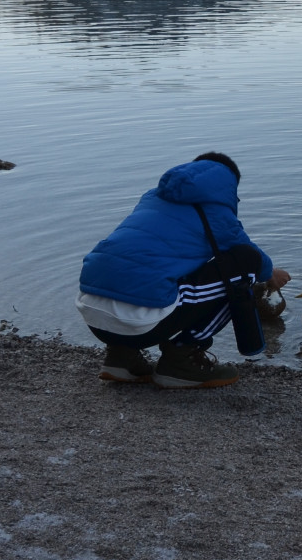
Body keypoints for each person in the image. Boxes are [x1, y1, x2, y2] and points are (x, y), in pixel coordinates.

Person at [76, 151, 289, 389]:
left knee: (145, 271)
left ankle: (121, 357)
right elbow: (250, 257)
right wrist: (272, 273)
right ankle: (181, 358)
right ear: (228, 185)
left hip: (93, 313)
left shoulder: (152, 197)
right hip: (139, 324)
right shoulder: (216, 211)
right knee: (244, 266)